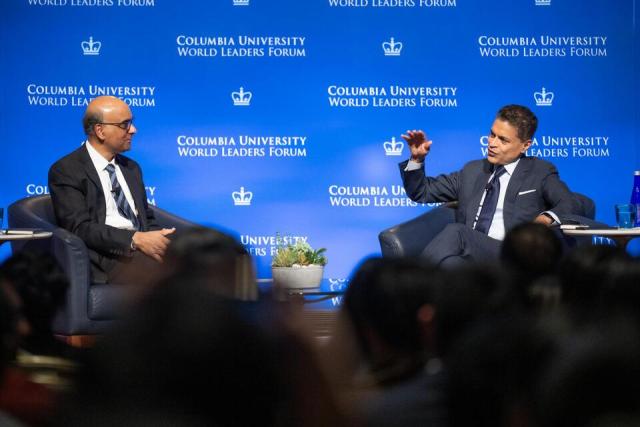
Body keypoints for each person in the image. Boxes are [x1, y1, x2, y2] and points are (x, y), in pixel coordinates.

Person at [400, 104, 578, 266]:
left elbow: (569, 202)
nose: (492, 143)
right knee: (451, 264)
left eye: (503, 140)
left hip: (512, 253)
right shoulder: (473, 170)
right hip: (472, 253)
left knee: (456, 232)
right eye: (492, 134)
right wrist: (417, 159)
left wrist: (546, 218)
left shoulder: (539, 171)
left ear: (525, 145)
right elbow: (422, 192)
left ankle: (414, 282)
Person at [48, 96, 175, 284]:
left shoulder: (131, 168)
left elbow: (146, 218)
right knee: (175, 274)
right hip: (106, 256)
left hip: (140, 249)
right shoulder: (67, 170)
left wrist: (159, 240)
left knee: (199, 257)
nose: (133, 130)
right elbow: (80, 228)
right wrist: (134, 239)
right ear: (100, 130)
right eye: (125, 125)